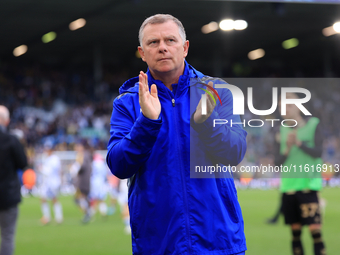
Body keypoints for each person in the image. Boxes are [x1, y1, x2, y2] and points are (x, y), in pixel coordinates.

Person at [106, 14, 247, 254]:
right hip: (158, 242)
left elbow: (235, 152)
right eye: (153, 43)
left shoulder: (215, 91)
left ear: (185, 47)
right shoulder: (128, 102)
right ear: (142, 52)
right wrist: (147, 122)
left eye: (170, 40)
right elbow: (119, 165)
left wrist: (206, 123)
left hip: (219, 240)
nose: (162, 48)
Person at [275, 93, 326, 255]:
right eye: (282, 107)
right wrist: (288, 148)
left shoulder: (313, 125)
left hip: (308, 186)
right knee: (295, 233)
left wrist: (299, 143)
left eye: (289, 106)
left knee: (315, 230)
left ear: (298, 107)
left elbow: (318, 152)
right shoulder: (281, 130)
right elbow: (277, 162)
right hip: (288, 187)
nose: (285, 110)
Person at [0, 105, 27, 255]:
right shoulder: (11, 140)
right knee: (7, 237)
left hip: (8, 195)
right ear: (6, 120)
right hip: (8, 195)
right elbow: (23, 163)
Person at [38, 143, 63, 225]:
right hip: (48, 182)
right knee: (43, 198)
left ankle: (58, 217)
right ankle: (47, 217)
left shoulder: (54, 159)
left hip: (53, 182)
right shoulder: (49, 158)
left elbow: (50, 172)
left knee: (54, 199)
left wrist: (41, 169)